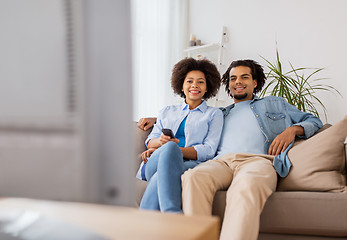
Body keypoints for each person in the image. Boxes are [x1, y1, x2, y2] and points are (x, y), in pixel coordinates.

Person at [137, 59, 323, 239]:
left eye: (244, 77)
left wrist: (292, 130)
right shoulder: (220, 113)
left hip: (257, 161)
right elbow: (192, 115)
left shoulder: (274, 103)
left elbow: (314, 121)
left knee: (246, 189)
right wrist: (155, 122)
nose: (238, 82)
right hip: (221, 163)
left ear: (255, 82)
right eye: (233, 79)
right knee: (193, 178)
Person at [136, 57, 224, 213]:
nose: (194, 85)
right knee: (169, 149)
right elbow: (150, 142)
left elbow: (209, 150)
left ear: (207, 87)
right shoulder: (167, 111)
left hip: (189, 164)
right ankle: (172, 212)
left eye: (200, 82)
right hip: (154, 163)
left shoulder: (214, 114)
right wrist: (161, 144)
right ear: (182, 85)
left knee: (161, 174)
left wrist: (174, 150)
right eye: (189, 81)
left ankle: (147, 223)